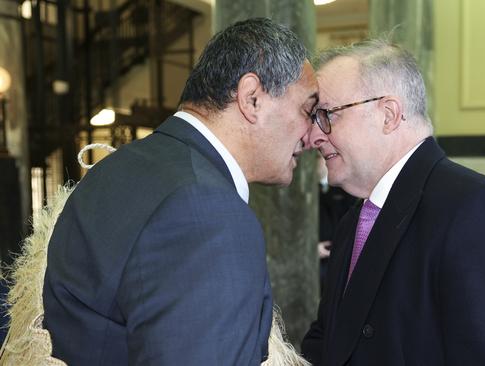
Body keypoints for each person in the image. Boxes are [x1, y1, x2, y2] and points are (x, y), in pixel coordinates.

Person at [42, 18, 318, 365]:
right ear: (252, 99)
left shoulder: (121, 166)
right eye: (309, 110)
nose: (313, 135)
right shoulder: (208, 213)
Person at [301, 39, 485, 365]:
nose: (313, 135)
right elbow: (332, 341)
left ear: (388, 115)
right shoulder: (356, 219)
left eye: (326, 115)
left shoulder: (480, 212)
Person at [317, 155, 357, 294]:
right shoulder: (310, 193)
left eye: (320, 158)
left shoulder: (345, 190)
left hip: (338, 257)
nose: (319, 162)